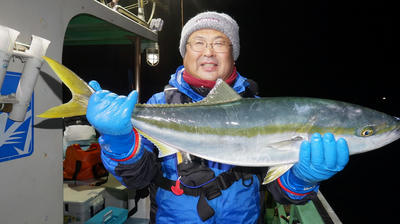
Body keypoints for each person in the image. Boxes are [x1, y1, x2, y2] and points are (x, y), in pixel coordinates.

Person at [86, 11, 349, 224]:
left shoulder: (258, 111)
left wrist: (305, 177)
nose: (208, 52)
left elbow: (283, 193)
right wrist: (118, 141)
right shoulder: (159, 104)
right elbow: (137, 179)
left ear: (232, 55)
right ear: (185, 53)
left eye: (219, 43)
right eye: (198, 43)